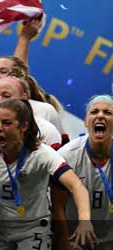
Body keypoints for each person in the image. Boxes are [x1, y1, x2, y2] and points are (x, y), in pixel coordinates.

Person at [0, 98, 96, 250]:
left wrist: (84, 220)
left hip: (32, 229)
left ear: (24, 126)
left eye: (6, 123)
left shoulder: (42, 154)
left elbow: (77, 185)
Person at [55, 95, 113, 249]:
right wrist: (64, 242)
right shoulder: (67, 155)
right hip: (75, 238)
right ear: (86, 122)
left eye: (108, 112)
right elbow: (57, 205)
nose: (100, 115)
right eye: (94, 112)